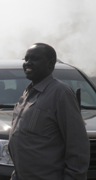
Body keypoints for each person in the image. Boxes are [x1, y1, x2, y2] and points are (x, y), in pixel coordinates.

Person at [8, 43, 90, 180]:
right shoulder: (28, 93)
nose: (27, 63)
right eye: (26, 59)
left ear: (50, 63)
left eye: (34, 59)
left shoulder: (61, 93)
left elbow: (78, 144)